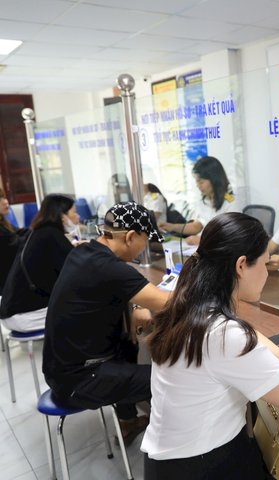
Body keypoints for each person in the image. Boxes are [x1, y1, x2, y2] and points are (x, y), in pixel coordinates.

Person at [141, 212, 279, 479]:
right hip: (203, 466)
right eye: (265, 263)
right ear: (241, 265)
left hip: (169, 461)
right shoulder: (224, 335)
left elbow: (238, 335)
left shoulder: (188, 304)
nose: (267, 272)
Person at [43, 201, 171, 445]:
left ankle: (128, 421)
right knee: (169, 379)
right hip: (79, 380)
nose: (144, 248)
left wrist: (136, 306)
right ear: (130, 237)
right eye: (145, 241)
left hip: (58, 369)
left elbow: (115, 287)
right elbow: (166, 302)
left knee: (127, 344)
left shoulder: (84, 252)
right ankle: (166, 448)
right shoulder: (109, 268)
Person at [0, 194, 79, 332]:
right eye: (74, 212)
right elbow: (77, 270)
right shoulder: (51, 235)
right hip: (24, 316)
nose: (78, 217)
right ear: (62, 216)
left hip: (12, 311)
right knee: (85, 308)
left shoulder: (43, 232)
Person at [159, 156, 240, 246]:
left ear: (214, 180)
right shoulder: (203, 201)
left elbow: (231, 235)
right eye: (196, 181)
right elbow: (197, 226)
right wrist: (172, 227)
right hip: (203, 248)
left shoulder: (230, 203)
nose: (198, 185)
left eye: (201, 182)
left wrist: (202, 241)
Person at [0, 187, 27, 295]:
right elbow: (16, 242)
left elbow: (19, 232)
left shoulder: (3, 223)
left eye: (4, 197)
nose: (5, 202)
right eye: (0, 199)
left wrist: (36, 229)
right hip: (5, 286)